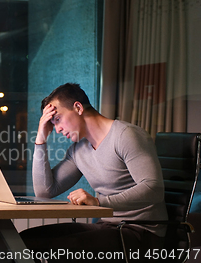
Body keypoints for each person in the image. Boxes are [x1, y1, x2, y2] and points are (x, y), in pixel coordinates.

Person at [20, 83, 167, 262]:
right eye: (52, 123)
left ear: (78, 107)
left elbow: (154, 189)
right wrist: (41, 139)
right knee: (24, 241)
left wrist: (98, 202)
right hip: (108, 226)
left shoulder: (126, 136)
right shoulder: (78, 150)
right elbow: (45, 191)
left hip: (141, 231)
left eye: (57, 119)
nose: (56, 129)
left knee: (61, 250)